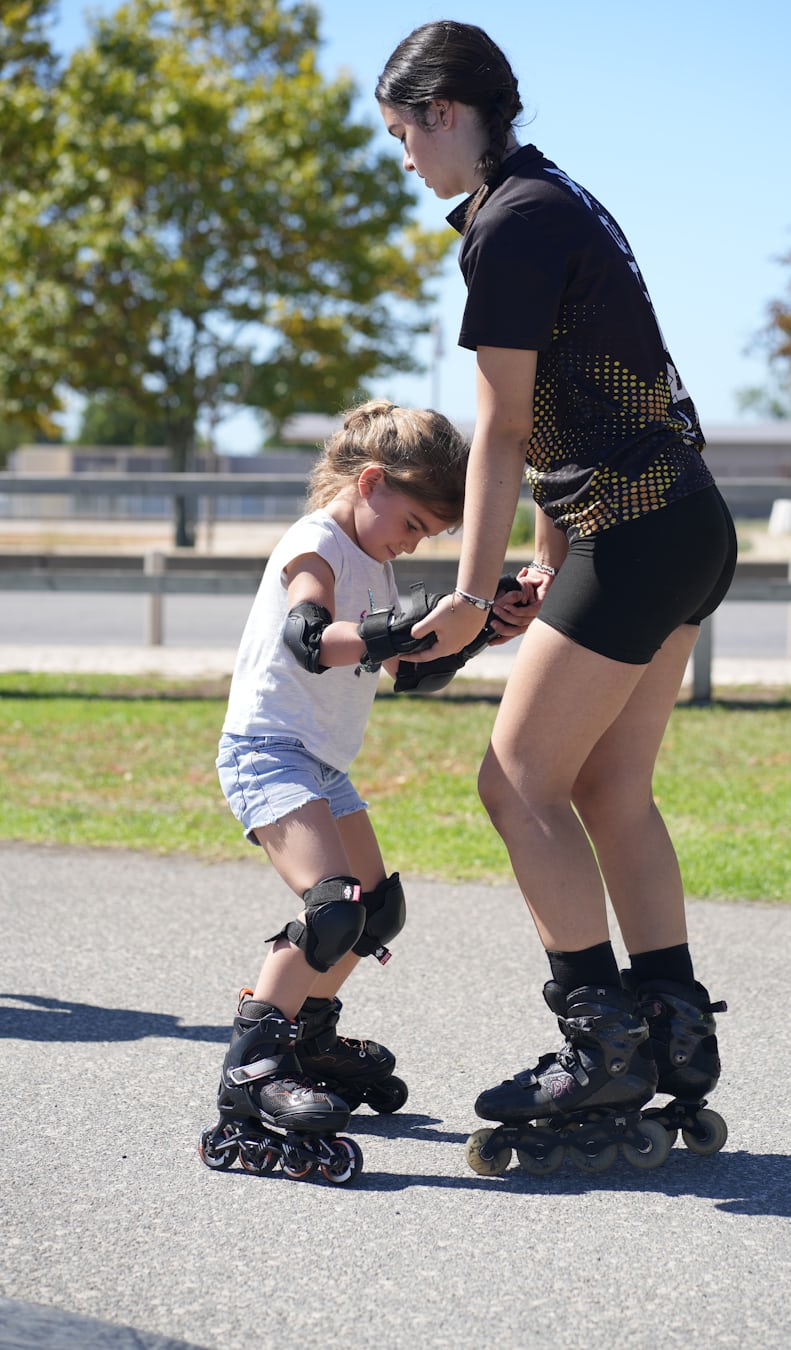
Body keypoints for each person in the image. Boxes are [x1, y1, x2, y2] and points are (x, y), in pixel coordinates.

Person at [375, 22, 737, 1163]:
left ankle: (601, 1046)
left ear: (443, 112)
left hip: (638, 535)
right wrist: (542, 563)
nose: (404, 159)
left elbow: (502, 428)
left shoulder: (508, 225)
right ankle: (674, 1030)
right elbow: (579, 415)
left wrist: (468, 598)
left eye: (403, 135)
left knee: (515, 781)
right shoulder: (556, 197)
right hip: (683, 523)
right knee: (610, 786)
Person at [199, 398, 517, 1181]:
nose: (413, 542)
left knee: (376, 910)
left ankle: (307, 1038)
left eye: (427, 536)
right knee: (333, 908)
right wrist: (400, 627)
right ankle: (250, 1073)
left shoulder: (374, 559)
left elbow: (408, 672)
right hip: (267, 752)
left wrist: (488, 625)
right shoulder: (315, 543)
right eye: (413, 524)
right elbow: (309, 638)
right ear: (371, 482)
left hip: (320, 762)